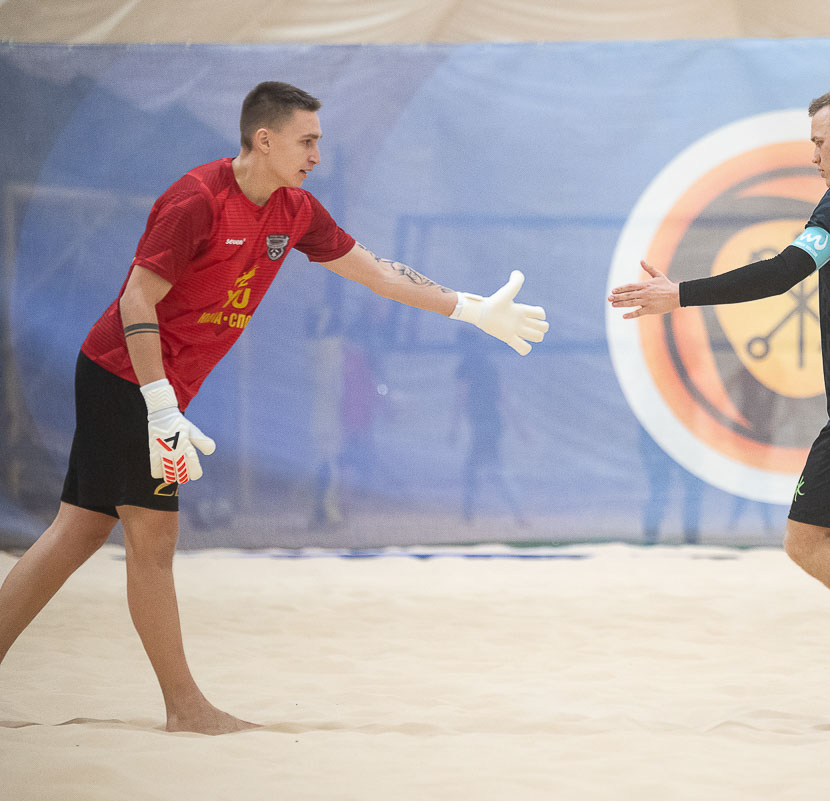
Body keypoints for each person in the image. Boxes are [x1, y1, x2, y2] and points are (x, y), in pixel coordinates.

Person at [0, 81, 548, 735]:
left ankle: (174, 704)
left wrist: (470, 308)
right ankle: (186, 708)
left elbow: (377, 271)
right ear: (265, 139)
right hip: (128, 376)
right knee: (154, 538)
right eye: (307, 141)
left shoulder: (296, 211)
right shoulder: (196, 199)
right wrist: (160, 407)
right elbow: (135, 300)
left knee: (77, 532)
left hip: (140, 382)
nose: (318, 155)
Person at [609, 84, 830, 691]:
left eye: (820, 142)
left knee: (806, 542)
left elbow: (782, 274)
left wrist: (680, 294)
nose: (813, 156)